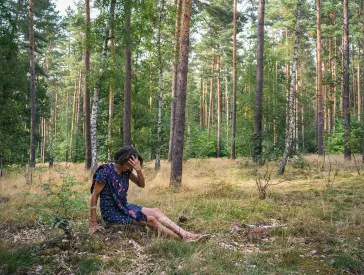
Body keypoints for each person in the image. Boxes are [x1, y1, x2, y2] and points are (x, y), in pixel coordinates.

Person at [89, 146, 209, 242]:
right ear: (122, 159)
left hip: (124, 207)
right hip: (112, 213)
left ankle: (187, 235)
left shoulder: (126, 171)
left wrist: (139, 170)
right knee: (151, 220)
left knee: (156, 211)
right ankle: (182, 241)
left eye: (133, 164)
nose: (130, 167)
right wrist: (93, 222)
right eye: (129, 163)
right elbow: (94, 196)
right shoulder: (105, 171)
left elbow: (141, 184)